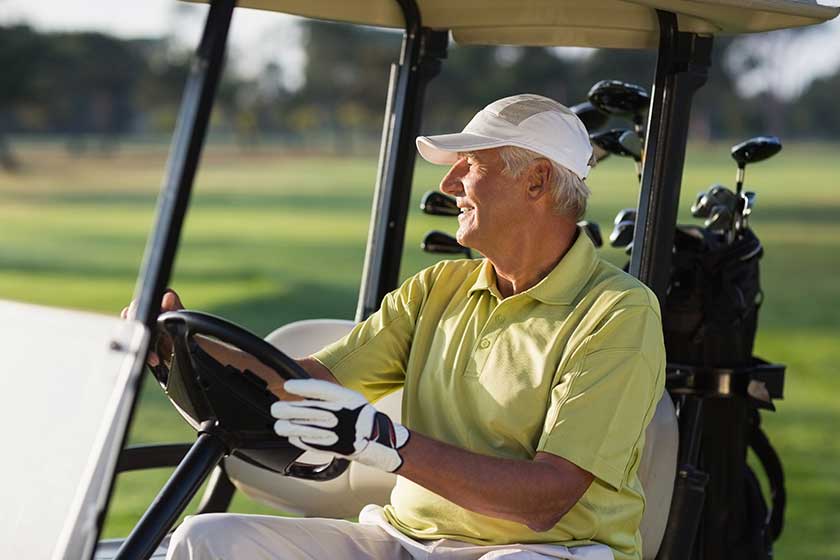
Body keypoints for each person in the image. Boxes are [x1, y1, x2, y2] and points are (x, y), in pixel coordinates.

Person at [131, 94, 665, 560]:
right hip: (405, 541)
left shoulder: (618, 312)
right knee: (208, 542)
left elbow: (545, 500)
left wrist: (388, 443)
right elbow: (297, 384)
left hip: (547, 552)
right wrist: (184, 351)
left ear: (537, 180)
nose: (449, 183)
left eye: (470, 165)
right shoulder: (438, 288)